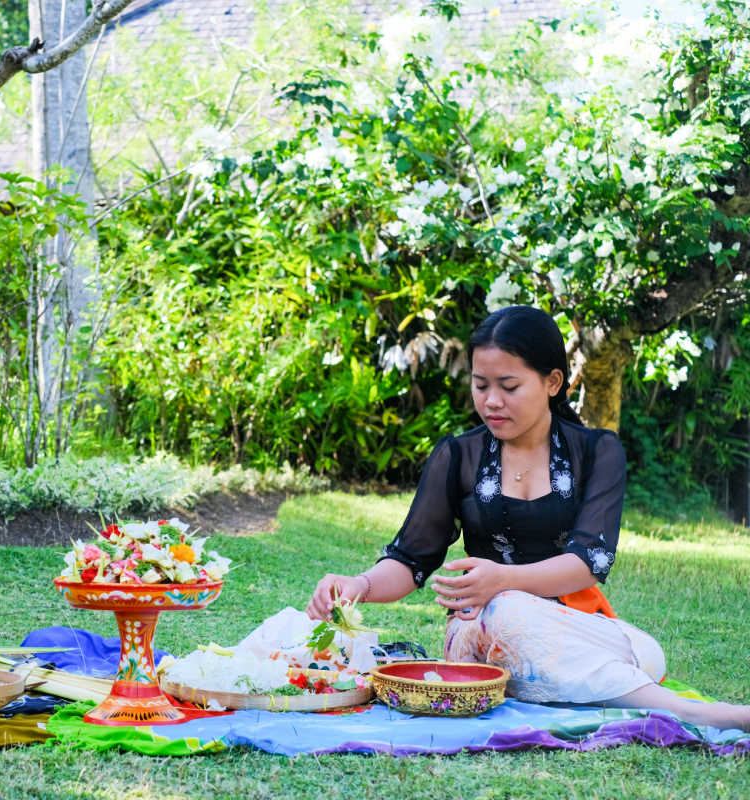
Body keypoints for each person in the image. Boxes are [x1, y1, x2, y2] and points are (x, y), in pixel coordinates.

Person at [307, 305, 750, 732]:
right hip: (483, 633)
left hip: (582, 627)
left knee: (647, 653)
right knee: (501, 615)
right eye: (481, 386)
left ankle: (595, 683)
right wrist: (358, 586)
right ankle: (696, 712)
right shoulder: (457, 455)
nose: (492, 401)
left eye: (509, 386)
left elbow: (588, 562)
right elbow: (410, 560)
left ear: (553, 382)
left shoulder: (597, 451)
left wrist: (501, 578)